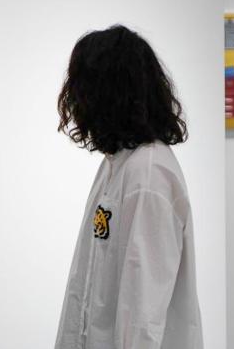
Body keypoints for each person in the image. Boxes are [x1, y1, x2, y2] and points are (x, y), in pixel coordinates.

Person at [54, 25, 203, 349]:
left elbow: (142, 315)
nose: (73, 98)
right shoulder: (117, 167)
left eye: (80, 86)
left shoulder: (148, 177)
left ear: (105, 92)